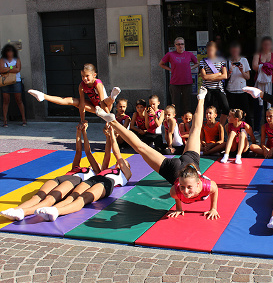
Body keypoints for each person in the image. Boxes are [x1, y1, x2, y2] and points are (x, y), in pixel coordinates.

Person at [95, 87, 220, 220]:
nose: (185, 191)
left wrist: (213, 208)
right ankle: (201, 98)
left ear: (198, 183)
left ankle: (112, 121)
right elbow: (211, 189)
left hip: (179, 168)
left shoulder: (180, 190)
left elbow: (215, 190)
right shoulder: (180, 189)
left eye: (188, 187)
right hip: (181, 165)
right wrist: (179, 207)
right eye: (183, 187)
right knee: (195, 130)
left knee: (141, 148)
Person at [0, 124, 100, 221]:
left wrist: (85, 133)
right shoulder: (77, 167)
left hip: (75, 181)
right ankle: (16, 210)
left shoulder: (95, 171)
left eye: (98, 164)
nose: (96, 164)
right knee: (37, 196)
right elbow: (78, 151)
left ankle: (24, 212)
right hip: (61, 178)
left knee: (50, 199)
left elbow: (88, 152)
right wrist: (79, 132)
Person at [35, 126, 132, 222]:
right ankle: (51, 210)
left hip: (105, 183)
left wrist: (112, 135)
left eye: (125, 162)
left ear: (127, 167)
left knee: (82, 198)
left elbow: (117, 153)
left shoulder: (126, 174)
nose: (121, 162)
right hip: (92, 180)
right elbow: (103, 154)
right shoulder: (104, 170)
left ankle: (58, 211)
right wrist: (105, 137)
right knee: (72, 197)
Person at [28, 64, 121, 127]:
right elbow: (82, 103)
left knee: (107, 100)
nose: (84, 78)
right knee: (70, 100)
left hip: (105, 106)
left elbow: (102, 103)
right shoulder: (81, 85)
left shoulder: (98, 84)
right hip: (94, 107)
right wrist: (82, 120)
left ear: (94, 75)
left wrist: (108, 118)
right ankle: (43, 96)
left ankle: (113, 96)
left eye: (87, 76)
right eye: (82, 76)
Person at [159, 37, 199, 116]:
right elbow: (161, 64)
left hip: (187, 81)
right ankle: (175, 119)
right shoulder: (170, 54)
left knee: (187, 102)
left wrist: (190, 68)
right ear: (175, 45)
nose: (180, 46)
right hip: (175, 82)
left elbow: (197, 63)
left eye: (182, 44)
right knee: (175, 103)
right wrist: (170, 69)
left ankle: (187, 120)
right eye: (178, 44)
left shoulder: (189, 54)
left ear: (184, 45)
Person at [252, 36, 273, 132]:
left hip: (272, 83)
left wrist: (266, 68)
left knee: (270, 107)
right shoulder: (257, 55)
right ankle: (257, 129)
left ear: (271, 45)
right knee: (258, 106)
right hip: (259, 84)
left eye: (268, 44)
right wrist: (266, 67)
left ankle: (271, 129)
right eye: (265, 44)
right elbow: (254, 66)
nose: (266, 46)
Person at [199, 41, 229, 125]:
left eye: (212, 50)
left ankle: (220, 127)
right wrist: (218, 74)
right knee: (209, 110)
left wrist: (211, 76)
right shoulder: (203, 61)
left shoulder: (222, 61)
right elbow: (204, 77)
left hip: (218, 88)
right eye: (208, 50)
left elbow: (225, 76)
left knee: (226, 108)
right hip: (207, 88)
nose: (210, 52)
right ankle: (210, 126)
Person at [226, 42, 252, 128]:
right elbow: (225, 77)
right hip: (231, 90)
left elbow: (248, 77)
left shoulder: (244, 60)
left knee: (245, 112)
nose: (235, 52)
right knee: (232, 113)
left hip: (242, 90)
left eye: (236, 50)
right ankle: (232, 130)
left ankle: (249, 130)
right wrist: (230, 71)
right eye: (233, 51)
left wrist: (241, 71)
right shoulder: (227, 61)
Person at [0, 44, 26, 127]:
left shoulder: (17, 59)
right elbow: (1, 70)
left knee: (19, 100)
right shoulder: (2, 60)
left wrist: (6, 69)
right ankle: (5, 121)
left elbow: (18, 69)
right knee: (5, 101)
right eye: (8, 51)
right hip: (5, 82)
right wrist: (12, 67)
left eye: (11, 51)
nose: (9, 53)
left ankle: (24, 119)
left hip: (16, 82)